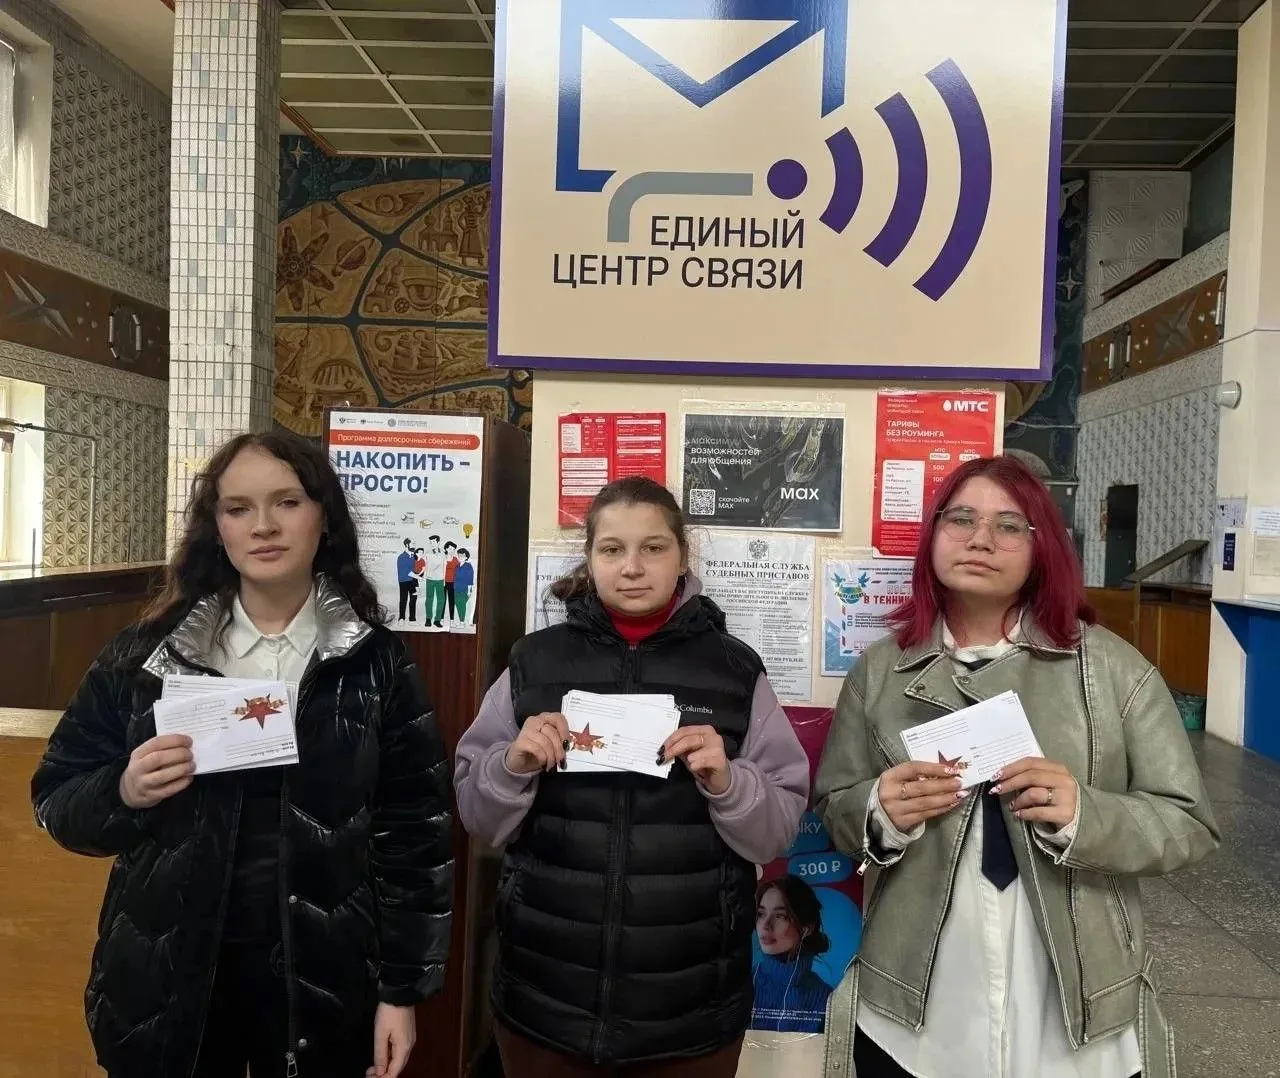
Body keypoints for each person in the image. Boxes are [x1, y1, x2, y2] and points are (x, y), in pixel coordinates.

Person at [31, 432, 455, 1078]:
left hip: (324, 987)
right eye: (238, 508)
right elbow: (56, 797)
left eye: (287, 502)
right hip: (167, 987)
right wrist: (124, 791)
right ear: (217, 527)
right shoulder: (144, 656)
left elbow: (415, 839)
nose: (263, 526)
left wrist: (401, 992)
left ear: (324, 518)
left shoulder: (376, 665)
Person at [814, 455, 1220, 1078]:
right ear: (933, 537)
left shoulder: (1111, 669)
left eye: (1009, 526)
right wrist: (877, 811)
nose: (981, 539)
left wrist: (1086, 814)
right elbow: (835, 804)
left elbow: (1189, 823)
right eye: (962, 519)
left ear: (1041, 549)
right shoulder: (880, 671)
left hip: (1078, 1003)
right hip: (916, 998)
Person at [453, 476, 809, 1078]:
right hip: (545, 1000)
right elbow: (477, 819)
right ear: (590, 559)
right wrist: (511, 766)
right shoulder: (533, 663)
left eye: (654, 547)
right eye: (612, 549)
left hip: (690, 1012)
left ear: (682, 557)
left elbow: (776, 834)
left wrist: (728, 782)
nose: (633, 567)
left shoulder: (735, 671)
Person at [752, 874, 834, 1034]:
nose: (765, 925)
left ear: (806, 929)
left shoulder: (826, 998)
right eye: (761, 914)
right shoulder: (742, 984)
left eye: (780, 916)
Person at [424, 535, 446, 629]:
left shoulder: (443, 553)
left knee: (441, 599)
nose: (431, 544)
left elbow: (445, 566)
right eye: (430, 542)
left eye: (433, 542)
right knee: (429, 599)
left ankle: (437, 620)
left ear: (438, 542)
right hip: (430, 579)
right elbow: (424, 566)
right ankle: (428, 619)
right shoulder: (427, 553)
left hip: (440, 579)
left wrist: (444, 579)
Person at [397, 538, 416, 622]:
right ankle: (401, 618)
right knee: (403, 599)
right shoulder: (401, 557)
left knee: (413, 599)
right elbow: (407, 572)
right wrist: (419, 577)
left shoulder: (414, 557)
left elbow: (416, 569)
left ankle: (412, 618)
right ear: (407, 545)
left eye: (415, 544)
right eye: (413, 544)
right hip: (404, 581)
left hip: (414, 581)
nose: (414, 545)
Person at [453, 547, 474, 625]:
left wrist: (469, 591)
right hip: (456, 589)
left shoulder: (468, 566)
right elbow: (454, 577)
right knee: (458, 605)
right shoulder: (457, 566)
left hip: (465, 589)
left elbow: (470, 579)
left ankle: (462, 622)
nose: (460, 557)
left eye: (462, 555)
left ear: (466, 557)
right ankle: (461, 621)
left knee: (462, 605)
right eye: (459, 555)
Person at [444, 541, 460, 624]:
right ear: (446, 549)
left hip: (453, 583)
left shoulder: (455, 559)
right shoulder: (442, 558)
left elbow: (459, 571)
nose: (452, 550)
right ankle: (441, 619)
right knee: (442, 601)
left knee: (452, 601)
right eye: (450, 548)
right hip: (442, 582)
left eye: (453, 549)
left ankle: (452, 620)